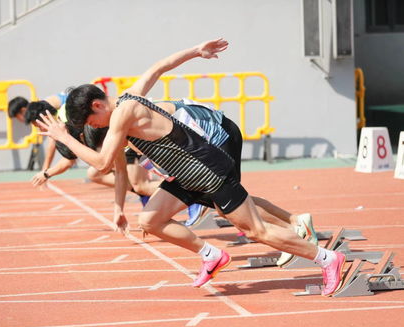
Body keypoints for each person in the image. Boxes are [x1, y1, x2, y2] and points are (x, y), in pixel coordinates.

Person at [37, 38, 345, 296]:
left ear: (97, 105)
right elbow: (159, 66)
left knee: (255, 230)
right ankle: (211, 255)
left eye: (93, 123)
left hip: (207, 170)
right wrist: (196, 51)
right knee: (150, 219)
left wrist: (63, 136)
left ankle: (328, 259)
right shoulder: (130, 96)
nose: (96, 127)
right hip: (186, 173)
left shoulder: (122, 114)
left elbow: (103, 163)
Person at [24, 100, 208, 224]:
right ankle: (154, 194)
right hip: (116, 142)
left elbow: (68, 160)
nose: (39, 129)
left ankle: (193, 197)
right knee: (95, 173)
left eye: (36, 125)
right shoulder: (63, 119)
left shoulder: (67, 120)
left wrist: (46, 173)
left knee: (140, 184)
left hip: (122, 140)